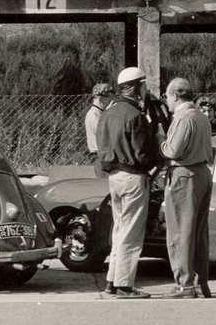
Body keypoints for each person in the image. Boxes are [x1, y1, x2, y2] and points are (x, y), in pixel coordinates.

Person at [96, 67, 155, 299]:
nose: (145, 88)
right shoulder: (135, 115)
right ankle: (124, 285)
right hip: (133, 177)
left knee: (120, 231)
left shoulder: (107, 113)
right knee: (130, 234)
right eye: (143, 84)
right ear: (136, 86)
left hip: (114, 177)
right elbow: (142, 155)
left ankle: (112, 281)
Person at [156, 78, 213, 299]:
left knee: (180, 231)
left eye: (167, 97)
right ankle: (199, 282)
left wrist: (160, 138)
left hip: (184, 175)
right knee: (198, 232)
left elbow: (173, 150)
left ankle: (184, 284)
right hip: (202, 174)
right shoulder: (201, 116)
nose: (166, 102)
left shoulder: (183, 117)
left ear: (175, 96)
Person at [84, 83, 114, 177]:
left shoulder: (100, 113)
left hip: (106, 157)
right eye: (109, 99)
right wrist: (108, 113)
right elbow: (103, 134)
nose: (110, 102)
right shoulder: (93, 114)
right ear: (102, 98)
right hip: (101, 157)